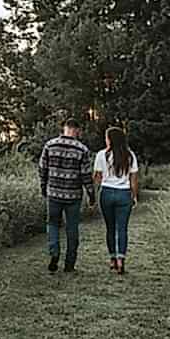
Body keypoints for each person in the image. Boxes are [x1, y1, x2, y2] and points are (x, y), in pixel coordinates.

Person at [38, 118, 95, 273]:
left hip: (54, 193)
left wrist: (43, 187)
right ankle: (69, 264)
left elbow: (42, 169)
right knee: (72, 228)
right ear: (77, 130)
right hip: (73, 196)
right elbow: (86, 176)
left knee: (52, 224)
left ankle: (54, 252)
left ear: (64, 128)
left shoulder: (50, 145)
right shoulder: (82, 149)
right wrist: (91, 195)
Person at [94, 126, 138, 275]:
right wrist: (134, 196)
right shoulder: (130, 155)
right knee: (122, 229)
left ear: (110, 139)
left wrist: (93, 193)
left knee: (110, 228)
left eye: (106, 137)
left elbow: (98, 178)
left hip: (106, 193)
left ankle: (112, 258)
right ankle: (121, 260)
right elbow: (133, 179)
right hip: (124, 194)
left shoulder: (101, 155)